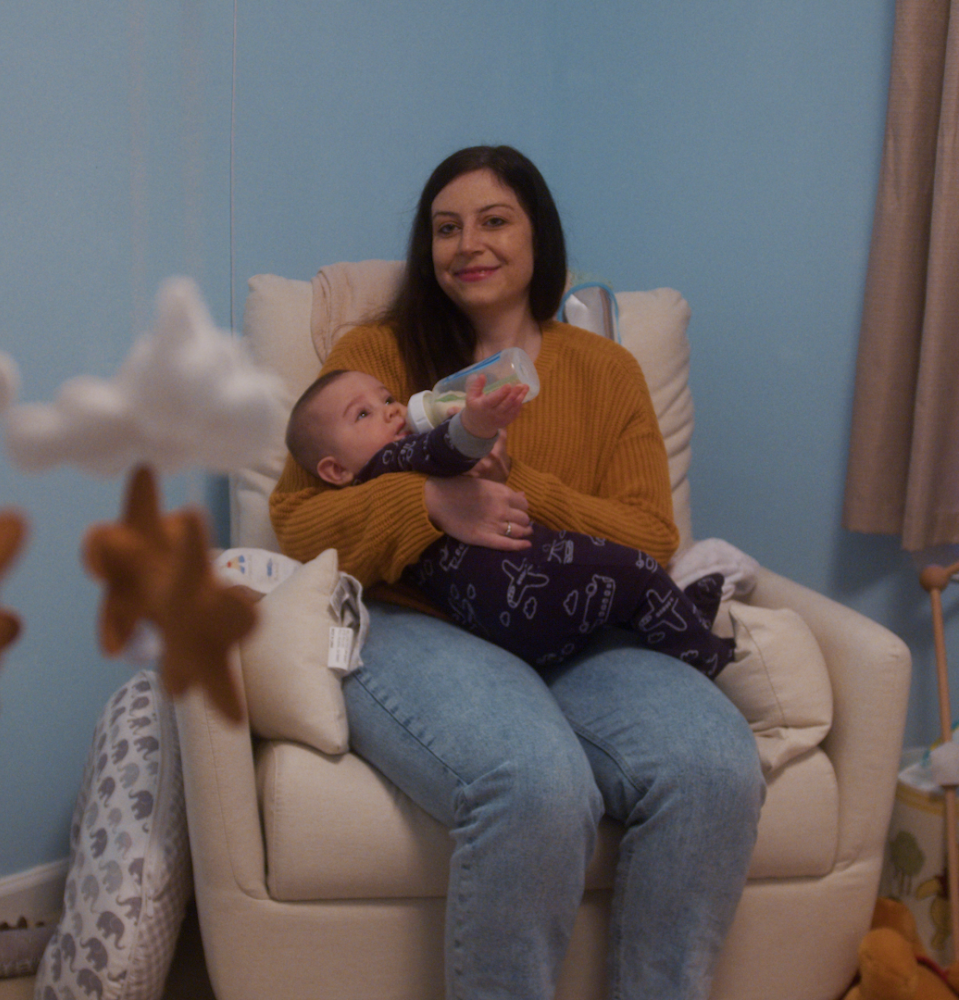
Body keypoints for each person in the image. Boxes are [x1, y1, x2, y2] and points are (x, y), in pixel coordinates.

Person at [270, 145, 764, 1000]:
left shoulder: (607, 372)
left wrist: (517, 487)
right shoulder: (378, 354)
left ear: (539, 236)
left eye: (495, 221)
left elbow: (650, 534)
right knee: (536, 784)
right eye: (446, 228)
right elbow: (300, 517)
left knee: (715, 765)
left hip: (574, 625)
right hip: (418, 623)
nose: (470, 244)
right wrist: (427, 502)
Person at [285, 367, 735, 675]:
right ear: (335, 472)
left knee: (620, 599)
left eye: (386, 398)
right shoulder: (388, 464)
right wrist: (474, 426)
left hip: (505, 626)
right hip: (531, 581)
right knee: (637, 573)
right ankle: (701, 651)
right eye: (362, 414)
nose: (392, 410)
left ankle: (683, 615)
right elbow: (440, 449)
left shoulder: (386, 484)